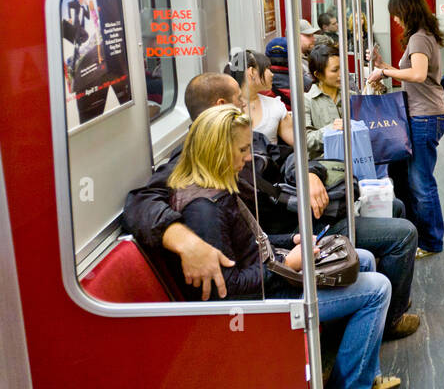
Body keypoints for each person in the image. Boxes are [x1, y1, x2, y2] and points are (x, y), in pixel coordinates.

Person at [123, 72, 421, 339]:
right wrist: (184, 241)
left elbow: (286, 157)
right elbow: (140, 200)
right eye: (240, 101)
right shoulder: (194, 164)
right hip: (281, 236)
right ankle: (386, 320)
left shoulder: (248, 139)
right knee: (402, 233)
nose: (247, 108)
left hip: (288, 229)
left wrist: (309, 173)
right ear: (220, 106)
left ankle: (364, 329)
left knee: (392, 208)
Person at [165, 104, 397, 389]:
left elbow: (251, 242)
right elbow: (226, 288)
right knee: (377, 288)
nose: (248, 158)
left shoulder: (218, 187)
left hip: (272, 272)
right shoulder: (204, 211)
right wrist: (287, 263)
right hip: (265, 301)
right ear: (217, 150)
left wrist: (289, 239)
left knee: (362, 259)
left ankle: (364, 373)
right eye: (242, 150)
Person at [302, 44, 423, 339]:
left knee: (396, 207)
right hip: (334, 188)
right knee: (404, 231)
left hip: (361, 177)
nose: (341, 75)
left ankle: (395, 296)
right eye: (334, 71)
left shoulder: (349, 96)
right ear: (318, 75)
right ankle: (392, 318)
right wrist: (330, 130)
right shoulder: (307, 103)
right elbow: (303, 141)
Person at [369, 0, 444, 258]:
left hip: (425, 116)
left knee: (421, 182)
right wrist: (385, 66)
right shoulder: (424, 36)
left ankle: (431, 242)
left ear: (406, 12)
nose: (396, 21)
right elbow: (414, 75)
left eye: (397, 15)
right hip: (425, 113)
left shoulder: (417, 38)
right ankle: (419, 232)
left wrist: (384, 71)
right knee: (411, 178)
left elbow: (417, 74)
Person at [227, 49, 293, 148]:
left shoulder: (275, 105)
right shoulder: (226, 108)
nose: (272, 74)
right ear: (252, 72)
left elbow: (298, 143)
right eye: (267, 68)